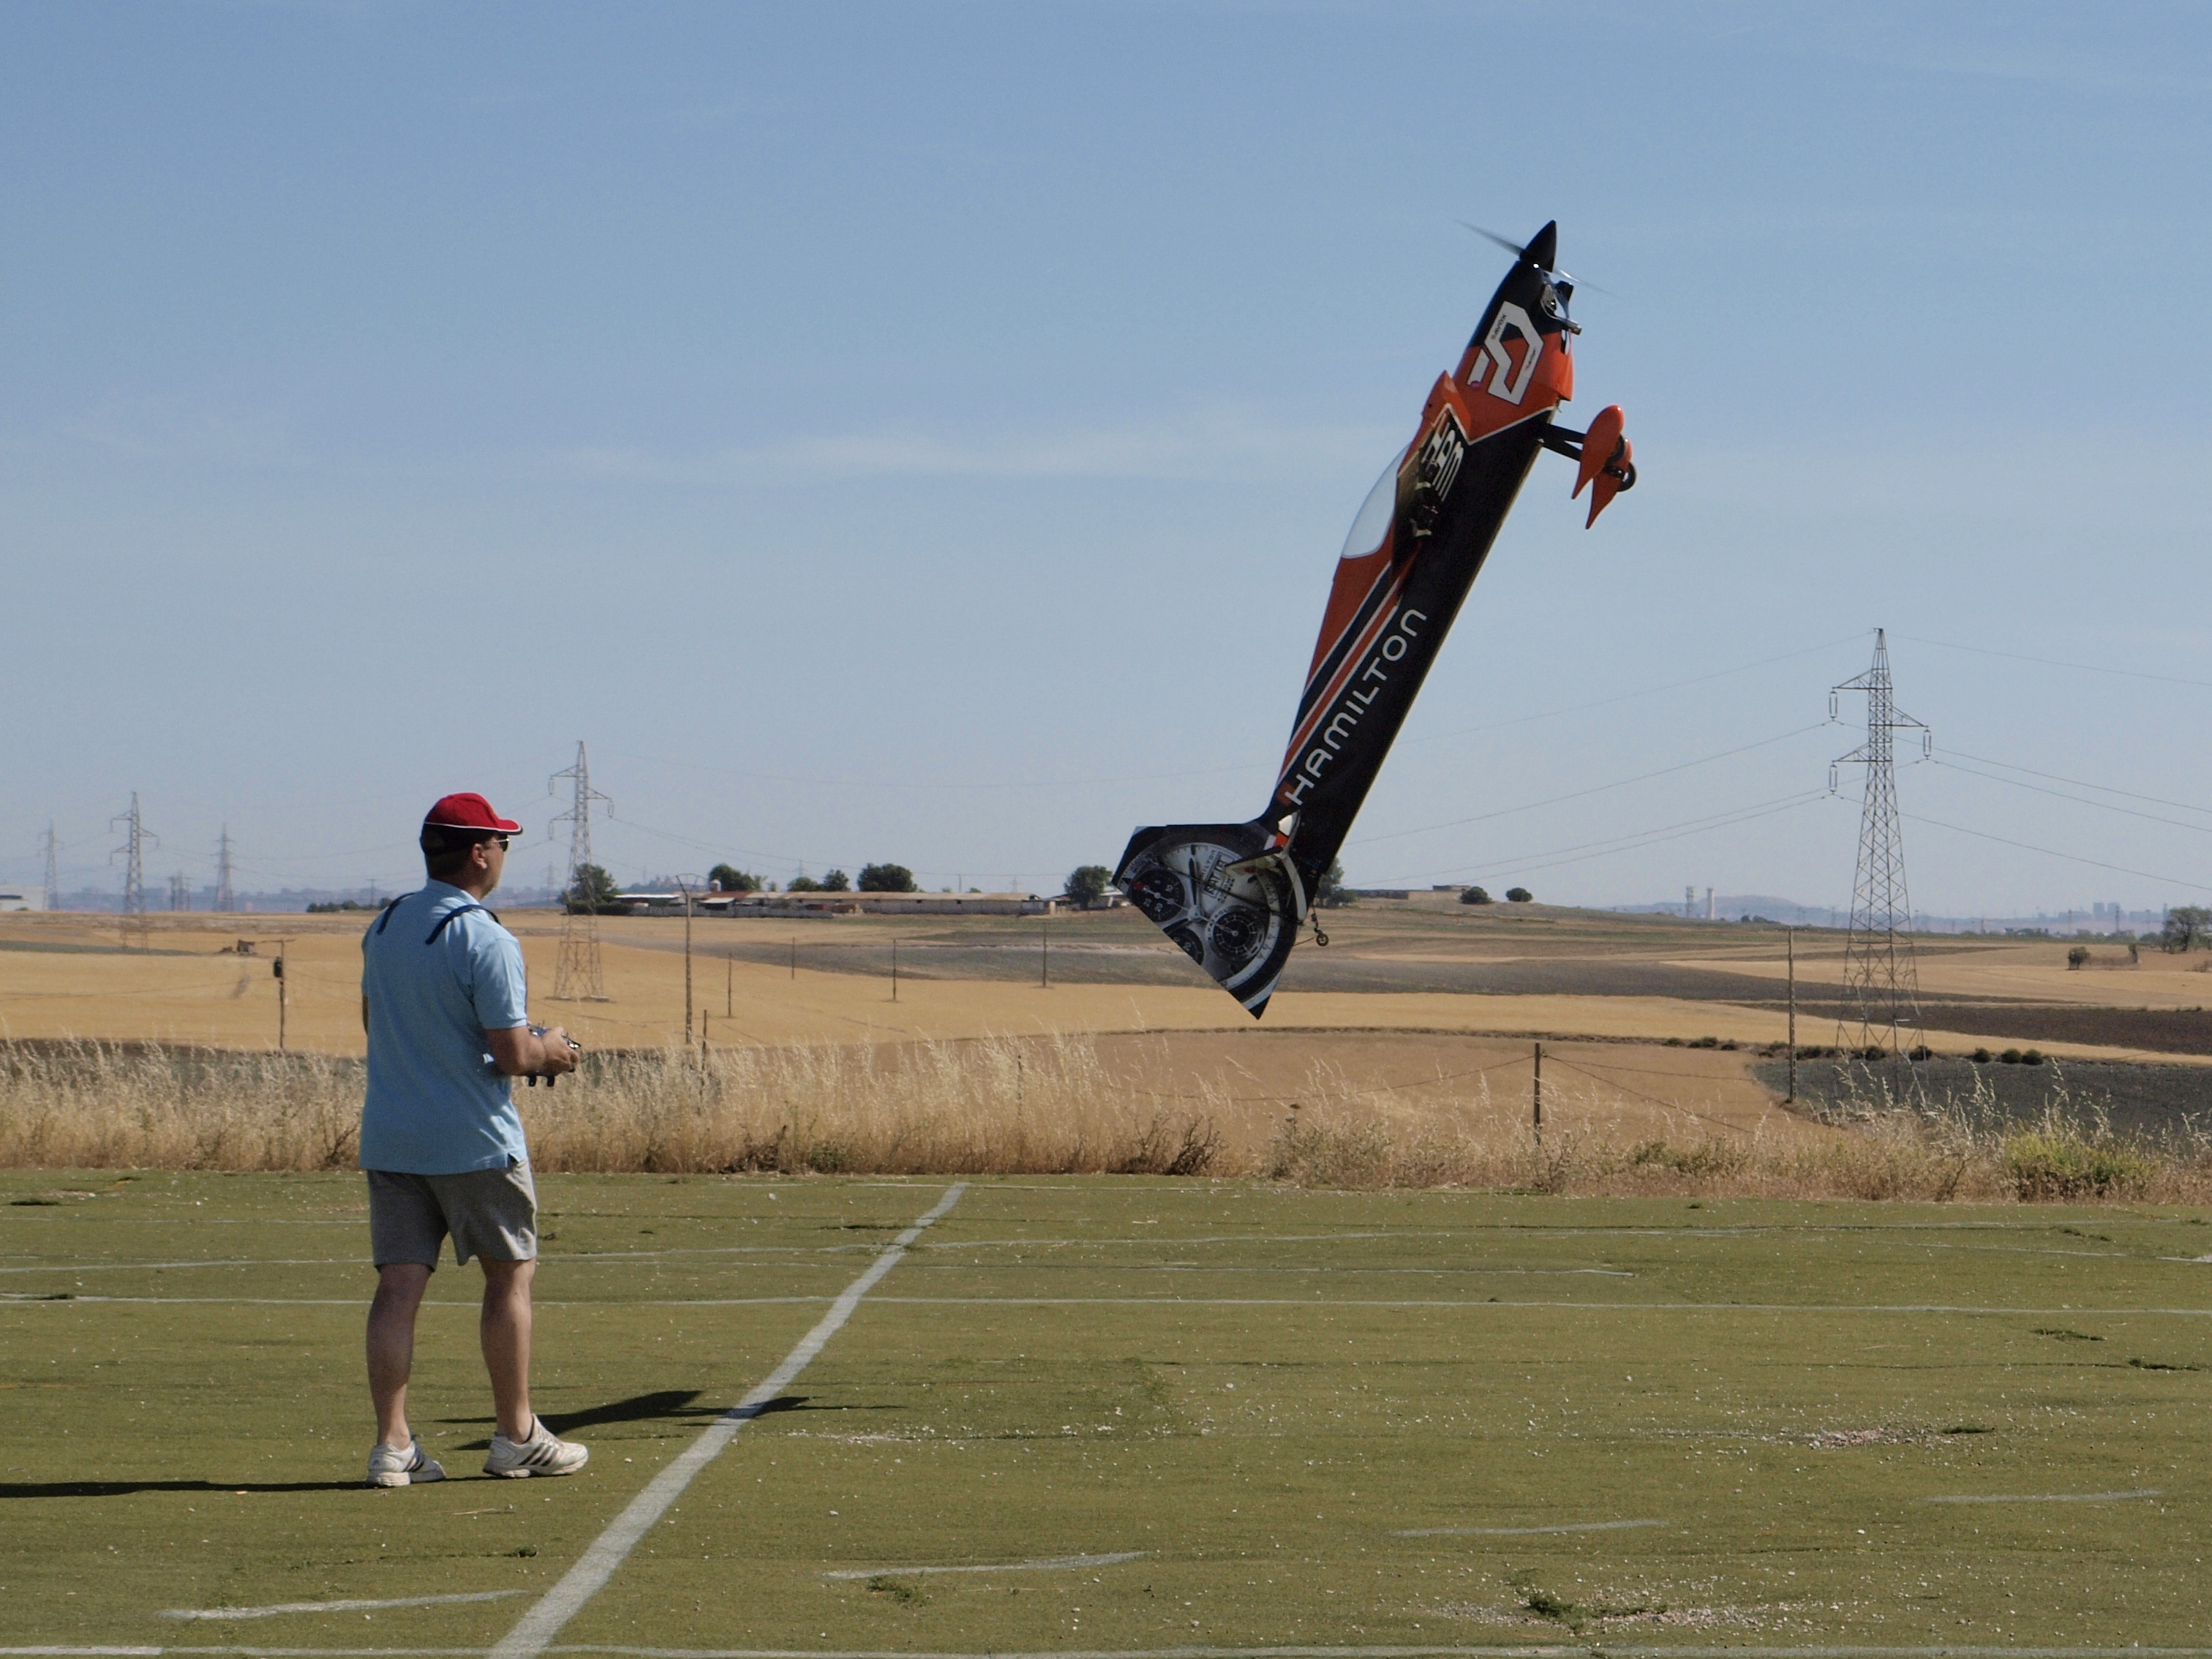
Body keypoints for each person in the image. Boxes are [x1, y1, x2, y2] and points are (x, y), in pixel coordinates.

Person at [358, 792, 586, 1487]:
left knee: (398, 1285)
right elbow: (514, 1054)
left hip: (392, 1136)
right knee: (509, 1277)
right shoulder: (486, 937)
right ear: (481, 853)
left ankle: (392, 1445)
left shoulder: (386, 923)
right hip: (475, 1140)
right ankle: (516, 1435)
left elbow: (376, 1023)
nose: (505, 856)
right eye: (503, 844)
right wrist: (554, 1049)